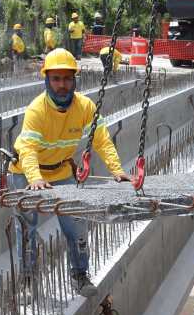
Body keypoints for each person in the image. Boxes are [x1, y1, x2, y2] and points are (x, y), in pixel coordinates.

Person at [8, 48, 131, 296]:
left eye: (67, 78)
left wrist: (118, 171)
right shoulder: (37, 110)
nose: (62, 85)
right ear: (47, 80)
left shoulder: (85, 106)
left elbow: (102, 141)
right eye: (56, 78)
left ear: (74, 80)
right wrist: (35, 179)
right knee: (26, 230)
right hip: (28, 174)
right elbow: (28, 149)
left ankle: (80, 274)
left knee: (76, 226)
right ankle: (28, 281)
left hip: (63, 172)